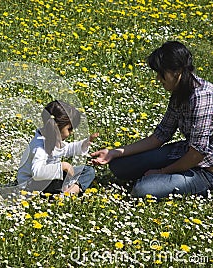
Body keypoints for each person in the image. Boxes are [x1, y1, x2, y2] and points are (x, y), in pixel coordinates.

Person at [91, 41, 213, 199]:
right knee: (119, 166)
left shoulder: (202, 97)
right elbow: (160, 135)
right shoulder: (180, 92)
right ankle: (166, 177)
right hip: (186, 152)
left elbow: (197, 155)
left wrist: (162, 172)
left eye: (161, 73)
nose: (158, 78)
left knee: (142, 190)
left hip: (206, 169)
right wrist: (113, 152)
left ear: (177, 71)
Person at [17, 100, 99, 195]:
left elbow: (67, 149)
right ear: (56, 127)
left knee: (88, 171)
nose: (71, 133)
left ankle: (69, 192)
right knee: (61, 177)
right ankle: (66, 193)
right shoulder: (39, 147)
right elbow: (37, 173)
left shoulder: (52, 138)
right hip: (31, 185)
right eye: (69, 129)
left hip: (49, 179)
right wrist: (62, 166)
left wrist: (84, 144)